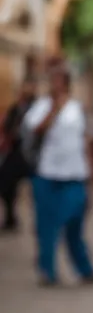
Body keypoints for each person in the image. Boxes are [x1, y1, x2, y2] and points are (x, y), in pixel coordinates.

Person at [22, 63, 93, 286]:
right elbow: (35, 129)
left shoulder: (78, 108)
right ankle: (47, 271)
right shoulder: (41, 106)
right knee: (46, 226)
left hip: (75, 174)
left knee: (74, 220)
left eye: (60, 79)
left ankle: (84, 268)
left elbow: (91, 139)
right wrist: (54, 108)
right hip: (47, 174)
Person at [0, 78, 36, 232]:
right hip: (16, 152)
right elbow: (7, 128)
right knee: (6, 182)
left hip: (30, 154)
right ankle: (10, 216)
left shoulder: (35, 108)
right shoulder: (15, 109)